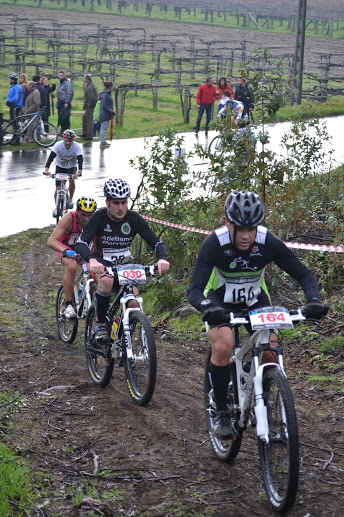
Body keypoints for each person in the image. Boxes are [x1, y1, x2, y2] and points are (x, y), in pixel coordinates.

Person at [187, 190, 327, 439]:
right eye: (239, 228)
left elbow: (304, 274)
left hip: (254, 299)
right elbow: (195, 290)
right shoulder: (214, 243)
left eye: (251, 229)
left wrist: (313, 300)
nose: (245, 235)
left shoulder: (267, 242)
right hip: (218, 299)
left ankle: (258, 388)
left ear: (258, 226)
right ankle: (221, 412)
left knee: (270, 350)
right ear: (228, 222)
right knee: (223, 345)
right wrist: (208, 308)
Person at [74, 178, 170, 343]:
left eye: (123, 202)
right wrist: (91, 260)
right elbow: (81, 244)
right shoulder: (98, 218)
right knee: (107, 282)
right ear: (107, 202)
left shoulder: (133, 219)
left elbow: (155, 242)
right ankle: (99, 324)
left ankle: (124, 341)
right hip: (100, 262)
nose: (120, 208)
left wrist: (162, 259)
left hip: (124, 266)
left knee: (133, 303)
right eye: (116, 203)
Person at [47, 196, 97, 318]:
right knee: (71, 266)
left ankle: (85, 295)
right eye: (83, 215)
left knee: (94, 268)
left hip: (82, 248)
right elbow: (51, 241)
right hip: (65, 247)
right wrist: (65, 251)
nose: (86, 219)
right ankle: (68, 305)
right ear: (77, 211)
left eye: (90, 215)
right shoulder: (69, 218)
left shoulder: (96, 221)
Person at [43, 129, 83, 216]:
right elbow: (51, 157)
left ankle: (70, 199)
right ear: (63, 140)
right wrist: (46, 169)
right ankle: (56, 207)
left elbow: (80, 159)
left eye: (70, 141)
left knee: (71, 180)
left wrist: (79, 172)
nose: (68, 143)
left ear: (73, 140)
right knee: (57, 189)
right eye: (66, 141)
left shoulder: (76, 146)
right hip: (60, 167)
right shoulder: (58, 145)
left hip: (71, 167)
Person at [6, 72, 23, 145]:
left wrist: (9, 100)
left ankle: (17, 140)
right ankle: (14, 138)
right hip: (13, 106)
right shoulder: (13, 86)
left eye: (10, 78)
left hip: (15, 107)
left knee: (15, 123)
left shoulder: (16, 87)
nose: (9, 80)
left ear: (13, 79)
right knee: (13, 123)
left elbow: (16, 98)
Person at [81, 73, 98, 141]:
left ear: (87, 79)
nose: (84, 79)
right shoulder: (89, 85)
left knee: (89, 120)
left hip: (90, 106)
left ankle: (89, 135)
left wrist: (88, 106)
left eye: (84, 78)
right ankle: (85, 133)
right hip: (88, 105)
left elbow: (91, 98)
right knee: (84, 118)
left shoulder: (90, 87)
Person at [99, 80, 115, 149]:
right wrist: (111, 111)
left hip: (105, 113)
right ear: (110, 87)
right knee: (103, 128)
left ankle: (103, 141)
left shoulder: (106, 93)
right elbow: (104, 105)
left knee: (104, 128)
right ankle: (102, 142)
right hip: (104, 113)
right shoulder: (105, 94)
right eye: (113, 86)